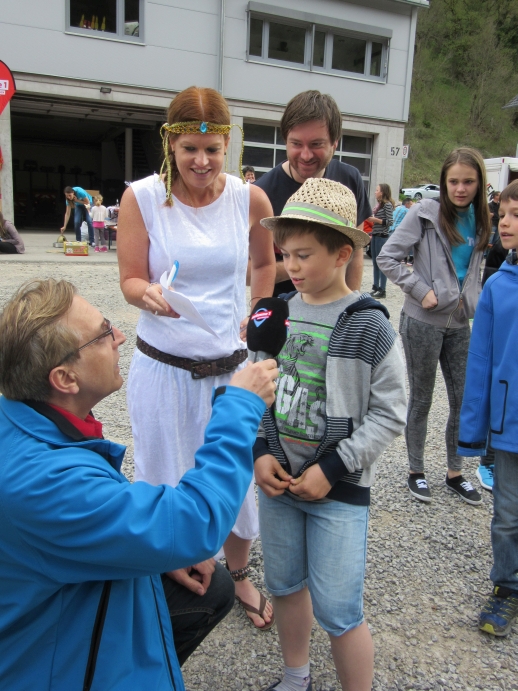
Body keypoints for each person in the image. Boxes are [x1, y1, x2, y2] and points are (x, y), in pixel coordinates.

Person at [0, 278, 278, 690]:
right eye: (103, 333)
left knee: (212, 587)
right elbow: (196, 523)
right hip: (44, 661)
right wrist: (240, 406)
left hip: (48, 600)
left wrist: (155, 552)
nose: (119, 336)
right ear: (65, 378)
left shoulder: (21, 420)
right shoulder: (45, 482)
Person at [117, 86, 276, 630]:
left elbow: (264, 265)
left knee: (235, 475)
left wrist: (257, 309)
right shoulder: (142, 198)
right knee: (166, 473)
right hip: (164, 366)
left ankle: (240, 572)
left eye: (212, 149)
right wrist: (146, 294)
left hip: (230, 368)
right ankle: (174, 569)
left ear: (228, 144)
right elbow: (129, 279)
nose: (202, 162)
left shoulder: (250, 199)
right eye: (189, 149)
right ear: (171, 143)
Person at [254, 178, 407, 691]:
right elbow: (254, 388)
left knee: (340, 610)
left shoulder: (369, 325)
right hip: (277, 485)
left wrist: (333, 468)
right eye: (285, 255)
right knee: (284, 585)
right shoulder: (275, 312)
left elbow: (390, 413)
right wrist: (259, 451)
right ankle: (295, 677)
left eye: (303, 256)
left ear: (343, 254)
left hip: (339, 490)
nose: (291, 267)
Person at [377, 147, 491, 504]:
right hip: (422, 321)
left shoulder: (482, 219)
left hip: (460, 323)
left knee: (462, 400)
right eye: (453, 181)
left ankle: (455, 472)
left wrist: (476, 298)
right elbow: (386, 256)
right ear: (443, 182)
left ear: (479, 183)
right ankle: (416, 471)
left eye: (468, 181)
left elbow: (473, 270)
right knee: (422, 399)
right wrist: (419, 289)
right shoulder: (425, 214)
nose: (460, 188)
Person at [457, 180, 518, 637]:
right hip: (510, 428)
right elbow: (479, 363)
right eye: (503, 215)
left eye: (517, 216)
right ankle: (506, 586)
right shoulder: (497, 286)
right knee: (509, 514)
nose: (506, 224)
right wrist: (475, 428)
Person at [255, 90, 372, 296]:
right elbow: (249, 269)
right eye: (296, 144)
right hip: (282, 309)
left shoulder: (350, 179)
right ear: (285, 141)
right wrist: (303, 262)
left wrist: (352, 306)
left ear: (335, 143)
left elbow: (355, 254)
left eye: (316, 144)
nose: (306, 155)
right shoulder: (261, 192)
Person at [368, 183, 394, 298]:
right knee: (375, 262)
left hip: (382, 236)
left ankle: (382, 289)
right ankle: (375, 286)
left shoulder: (387, 205)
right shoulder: (379, 205)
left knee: (381, 263)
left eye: (377, 190)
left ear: (382, 192)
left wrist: (375, 220)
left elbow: (390, 222)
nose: (375, 192)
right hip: (375, 235)